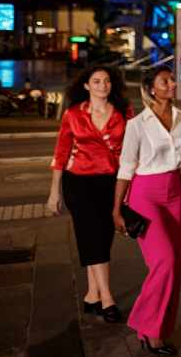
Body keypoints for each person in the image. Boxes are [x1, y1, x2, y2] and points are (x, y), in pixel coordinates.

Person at [113, 67, 181, 356]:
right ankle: (146, 326)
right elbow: (125, 168)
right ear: (151, 88)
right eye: (166, 81)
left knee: (175, 266)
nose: (172, 84)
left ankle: (156, 329)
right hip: (145, 196)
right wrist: (117, 209)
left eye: (172, 80)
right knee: (165, 261)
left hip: (174, 193)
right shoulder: (137, 124)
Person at [46, 66, 132, 323]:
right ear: (86, 86)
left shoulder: (124, 113)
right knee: (91, 237)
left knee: (103, 239)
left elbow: (132, 149)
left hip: (111, 182)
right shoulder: (73, 114)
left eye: (106, 81)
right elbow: (60, 153)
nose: (102, 85)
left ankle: (92, 294)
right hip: (79, 184)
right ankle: (107, 298)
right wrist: (54, 192)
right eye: (96, 81)